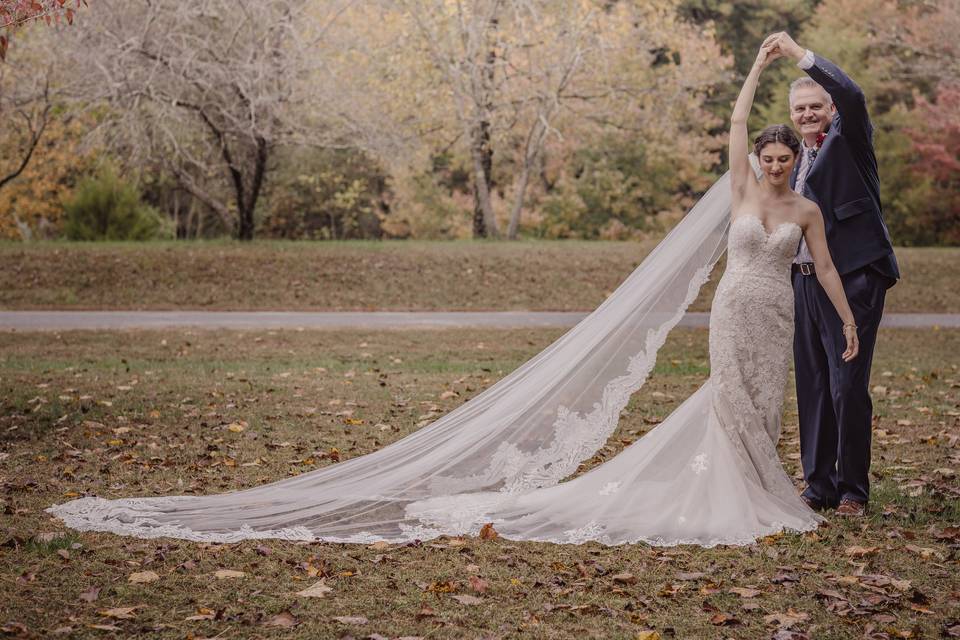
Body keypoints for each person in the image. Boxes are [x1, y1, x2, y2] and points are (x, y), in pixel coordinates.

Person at [46, 40, 861, 547]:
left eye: (787, 153)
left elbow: (822, 267)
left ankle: (763, 486)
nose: (778, 162)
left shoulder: (807, 208)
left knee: (765, 403)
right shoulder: (739, 193)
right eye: (769, 154)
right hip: (730, 313)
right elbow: (732, 125)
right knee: (728, 401)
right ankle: (740, 496)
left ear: (799, 156)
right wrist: (756, 69)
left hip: (776, 311)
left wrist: (850, 323)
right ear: (760, 157)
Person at [763, 32, 900, 517]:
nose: (806, 115)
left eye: (814, 106)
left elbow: (853, 94)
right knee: (814, 385)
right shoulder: (793, 160)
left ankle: (852, 492)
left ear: (831, 109)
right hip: (802, 281)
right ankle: (817, 486)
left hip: (854, 277)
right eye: (798, 109)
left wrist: (799, 57)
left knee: (846, 385)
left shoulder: (851, 137)